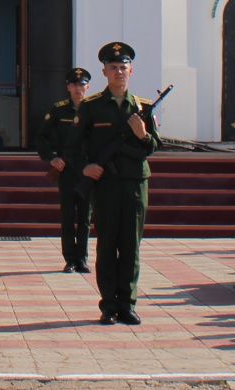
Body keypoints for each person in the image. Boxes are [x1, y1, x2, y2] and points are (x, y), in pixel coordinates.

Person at [79, 41, 159, 326]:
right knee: (106, 244)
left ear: (131, 70)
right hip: (106, 185)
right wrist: (87, 166)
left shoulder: (143, 107)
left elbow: (152, 148)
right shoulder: (91, 107)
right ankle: (108, 305)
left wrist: (141, 134)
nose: (118, 72)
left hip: (136, 184)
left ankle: (128, 304)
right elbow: (78, 145)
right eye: (113, 68)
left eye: (123, 67)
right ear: (104, 72)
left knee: (131, 247)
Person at [34, 67, 95, 273]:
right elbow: (41, 137)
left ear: (89, 86)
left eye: (83, 84)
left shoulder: (94, 109)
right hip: (67, 169)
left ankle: (82, 259)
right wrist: (52, 158)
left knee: (85, 217)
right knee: (68, 215)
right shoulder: (58, 110)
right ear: (68, 87)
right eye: (75, 84)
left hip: (87, 169)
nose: (79, 89)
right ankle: (70, 259)